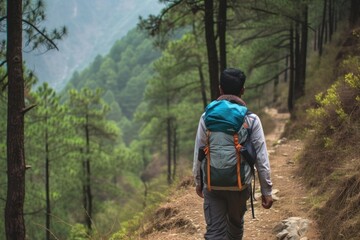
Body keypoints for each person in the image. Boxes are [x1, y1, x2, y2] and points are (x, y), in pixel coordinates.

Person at [193, 68, 273, 239]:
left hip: (212, 184)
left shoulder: (206, 117)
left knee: (215, 232)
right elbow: (261, 157)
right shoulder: (251, 120)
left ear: (220, 89)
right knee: (235, 226)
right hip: (240, 185)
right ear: (242, 90)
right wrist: (266, 191)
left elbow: (199, 152)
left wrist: (198, 182)